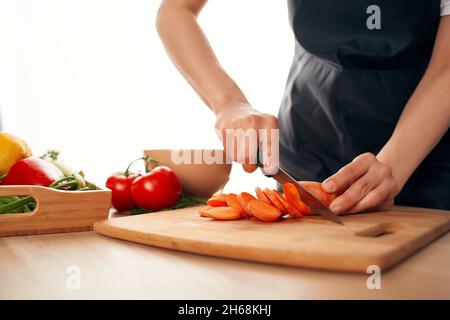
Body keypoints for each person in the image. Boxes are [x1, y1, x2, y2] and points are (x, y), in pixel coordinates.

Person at [157, 0, 450, 212]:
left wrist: (393, 166)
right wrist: (228, 103)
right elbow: (176, 10)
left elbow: (445, 70)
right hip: (307, 151)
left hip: (425, 165)